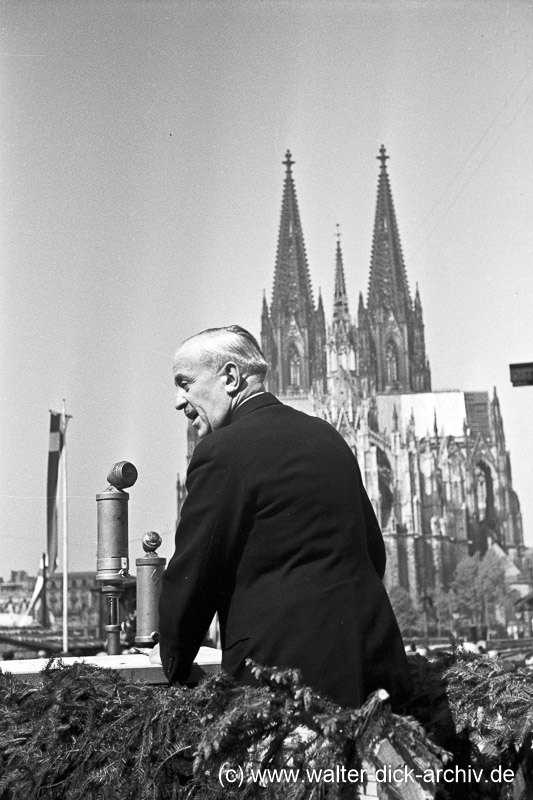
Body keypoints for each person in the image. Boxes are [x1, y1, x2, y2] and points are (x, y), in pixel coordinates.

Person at [154, 325, 411, 709]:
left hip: (285, 687)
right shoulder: (327, 436)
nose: (179, 400)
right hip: (375, 670)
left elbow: (193, 576)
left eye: (185, 383)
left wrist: (173, 663)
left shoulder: (220, 452)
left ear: (230, 377)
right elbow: (374, 553)